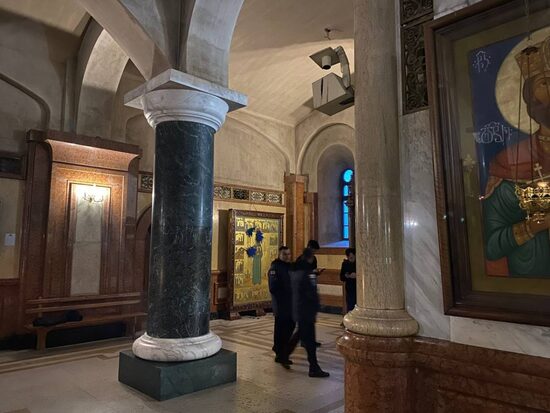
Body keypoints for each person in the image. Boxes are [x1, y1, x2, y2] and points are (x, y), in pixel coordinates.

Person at [483, 35, 550, 277]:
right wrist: (533, 227)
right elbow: (492, 246)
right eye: (545, 83)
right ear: (530, 99)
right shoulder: (509, 162)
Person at [287, 248, 330, 378]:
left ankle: (284, 354)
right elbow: (310, 292)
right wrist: (317, 306)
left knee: (300, 334)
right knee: (310, 341)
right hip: (306, 310)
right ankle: (314, 368)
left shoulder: (294, 270)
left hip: (298, 308)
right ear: (311, 257)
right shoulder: (307, 272)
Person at [268, 246, 294, 368]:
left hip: (291, 303)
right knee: (281, 329)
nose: (287, 256)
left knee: (291, 326)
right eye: (285, 254)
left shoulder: (290, 267)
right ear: (279, 255)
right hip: (281, 304)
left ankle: (282, 350)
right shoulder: (275, 268)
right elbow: (273, 288)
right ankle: (280, 352)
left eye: (289, 254)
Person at [340, 248, 357, 313]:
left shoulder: (359, 263)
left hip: (359, 289)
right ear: (347, 257)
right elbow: (341, 277)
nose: (352, 259)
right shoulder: (345, 264)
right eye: (350, 258)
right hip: (350, 289)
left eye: (353, 257)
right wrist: (347, 276)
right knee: (350, 307)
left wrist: (357, 275)